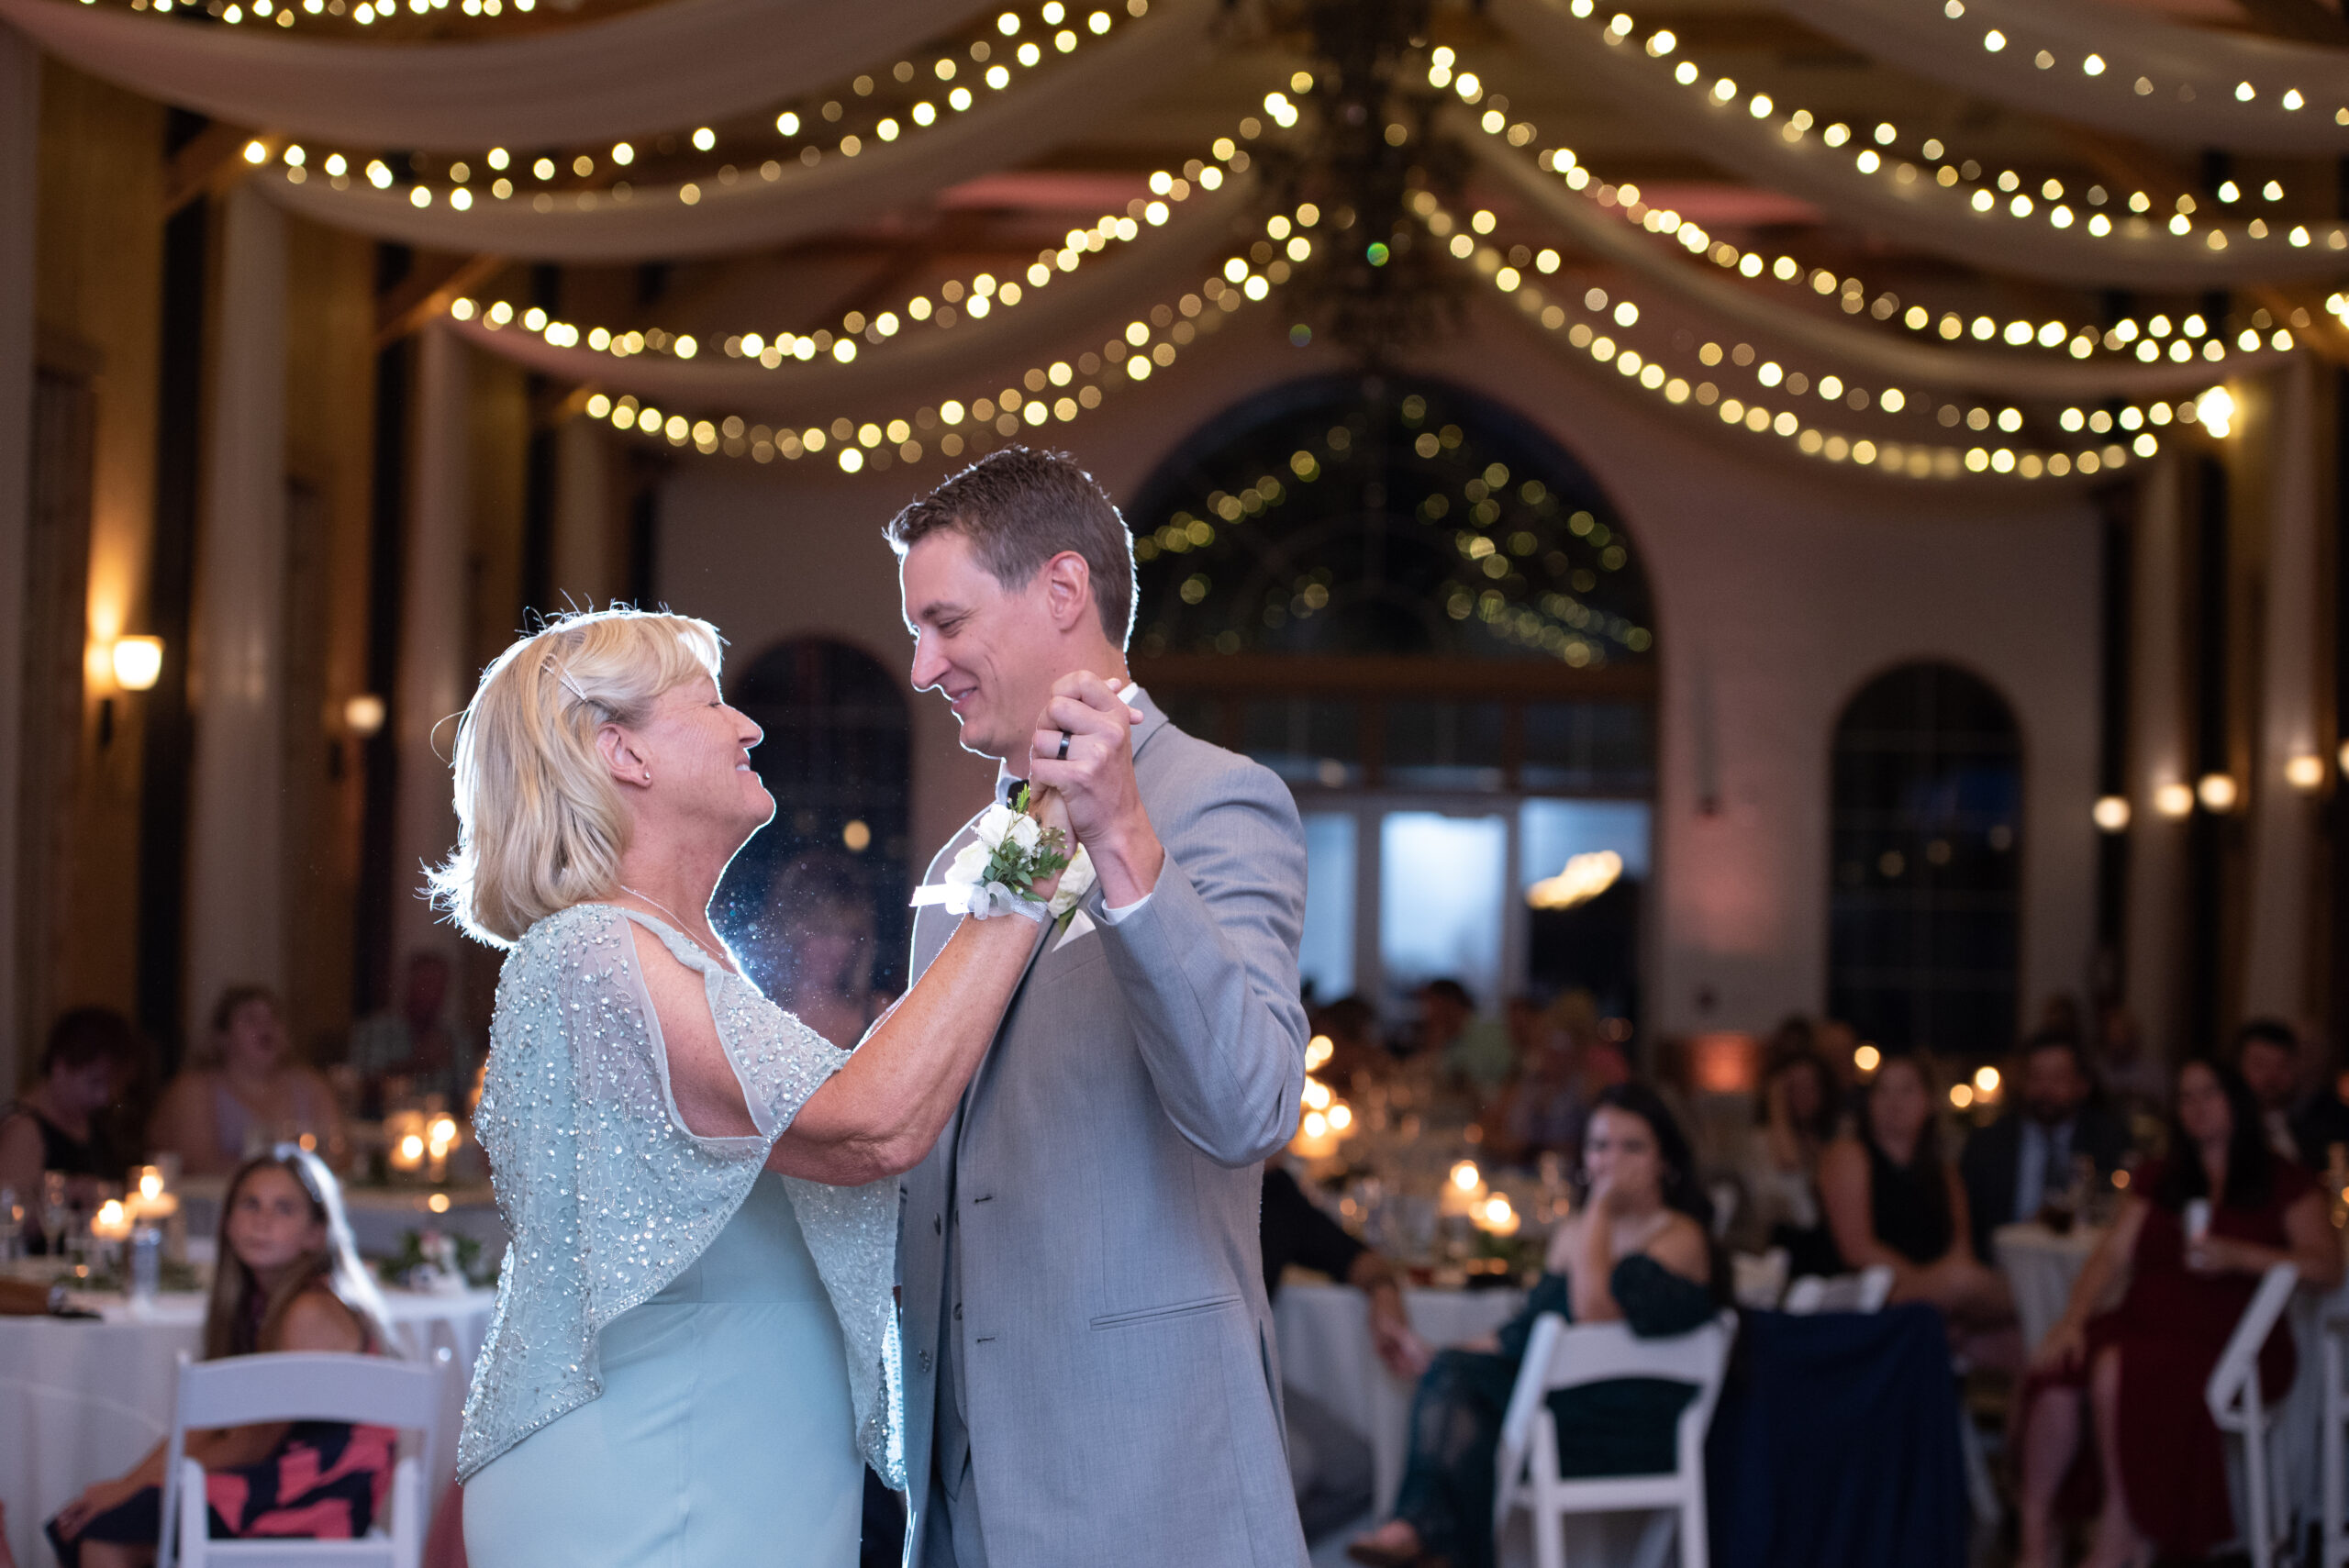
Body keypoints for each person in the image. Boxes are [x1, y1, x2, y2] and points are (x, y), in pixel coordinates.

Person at [440, 607, 1078, 1568]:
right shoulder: (593, 952)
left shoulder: (685, 957)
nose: (749, 726)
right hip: (656, 1480)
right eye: (710, 703)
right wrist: (1032, 860)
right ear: (623, 754)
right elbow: (868, 1126)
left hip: (741, 1463)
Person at [889, 448, 1313, 1567]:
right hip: (958, 1485)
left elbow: (1249, 1105)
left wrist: (1123, 836)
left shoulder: (1217, 802)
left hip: (1143, 1473)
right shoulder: (957, 860)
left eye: (943, 621)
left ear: (1063, 592)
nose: (923, 665)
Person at [1347, 1083, 1721, 1568]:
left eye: (1632, 1146)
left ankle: (1426, 1537)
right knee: (1457, 1378)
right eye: (1599, 1145)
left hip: (1626, 1428)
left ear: (1664, 1160)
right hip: (1556, 1409)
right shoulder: (1573, 1235)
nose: (1611, 1160)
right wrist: (1434, 1356)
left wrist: (1600, 1209)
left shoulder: (1680, 1236)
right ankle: (1427, 1539)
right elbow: (1529, 1332)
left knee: (1476, 1411)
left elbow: (1592, 1309)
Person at [2015, 1057, 2341, 1568]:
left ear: (2236, 1100)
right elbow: (2111, 1256)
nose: (2197, 1106)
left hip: (2231, 1337)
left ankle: (2121, 1533)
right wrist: (2073, 1318)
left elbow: (2327, 1267)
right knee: (2057, 1368)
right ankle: (2037, 1540)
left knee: (2115, 1371)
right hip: (2146, 1317)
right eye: (2186, 1096)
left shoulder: (2284, 1181)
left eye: (2209, 1093)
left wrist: (2240, 1255)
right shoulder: (2160, 1177)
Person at [46, 1148, 397, 1568]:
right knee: (105, 1522)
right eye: (250, 1204)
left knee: (108, 1533)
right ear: (228, 1221)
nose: (261, 1221)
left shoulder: (310, 1309)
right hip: (278, 1472)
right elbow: (205, 1426)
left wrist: (130, 1490)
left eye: (283, 1209)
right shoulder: (256, 1307)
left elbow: (253, 1441)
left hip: (320, 1487)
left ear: (315, 1234)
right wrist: (126, 1484)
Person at [1260, 1162, 1431, 1540]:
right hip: (1203, 1377)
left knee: (1358, 1471)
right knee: (1296, 1465)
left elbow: (1350, 1254)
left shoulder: (1276, 1188)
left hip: (1256, 1374)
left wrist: (1384, 1290)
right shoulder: (1202, 1181)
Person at [1818, 1053, 2011, 1329]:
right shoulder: (1849, 1156)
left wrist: (1945, 1297)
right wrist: (1933, 1288)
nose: (1893, 1103)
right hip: (1871, 1295)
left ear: (1930, 1102)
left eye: (1907, 1090)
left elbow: (1960, 1249)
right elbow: (1857, 1251)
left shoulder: (1945, 1172)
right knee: (1970, 1283)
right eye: (1883, 1091)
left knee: (2014, 1341)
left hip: (1941, 1299)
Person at [1957, 1031, 2131, 1258]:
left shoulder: (2108, 1140)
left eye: (2058, 1078)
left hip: (2082, 1267)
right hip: (2004, 1271)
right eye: (2036, 1077)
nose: (2045, 1089)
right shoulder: (1987, 1144)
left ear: (2082, 1085)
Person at [150, 987, 345, 1176]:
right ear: (222, 1037)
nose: (266, 1026)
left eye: (273, 1017)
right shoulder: (193, 1089)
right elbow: (199, 1165)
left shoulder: (311, 1087)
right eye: (251, 1018)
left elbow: (340, 1154)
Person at [0, 1007, 141, 1237]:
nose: (104, 1097)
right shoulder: (24, 1129)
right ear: (60, 1067)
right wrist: (70, 1191)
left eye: (111, 1085)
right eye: (95, 1082)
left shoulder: (93, 1123)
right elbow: (8, 1224)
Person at [743, 848, 891, 1051]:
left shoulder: (882, 1014)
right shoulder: (758, 1017)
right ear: (791, 934)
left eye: (848, 934)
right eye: (823, 931)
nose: (838, 947)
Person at [1741, 1039, 1841, 1277]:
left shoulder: (1837, 1137)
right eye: (1793, 1088)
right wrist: (1777, 1105)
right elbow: (1791, 1172)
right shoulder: (1761, 1142)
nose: (1803, 1096)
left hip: (1834, 1244)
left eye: (1810, 1087)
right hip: (1787, 1248)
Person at [345, 951, 479, 1112]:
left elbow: (470, 1097)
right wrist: (417, 1063)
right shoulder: (374, 1031)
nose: (432, 994)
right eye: (426, 984)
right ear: (408, 984)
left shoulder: (457, 1038)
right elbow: (357, 1088)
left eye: (440, 986)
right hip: (379, 1128)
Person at [2237, 1017, 2349, 1170]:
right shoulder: (2220, 1132)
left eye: (2282, 1065)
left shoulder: (2332, 1123)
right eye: (2260, 1065)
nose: (2272, 1076)